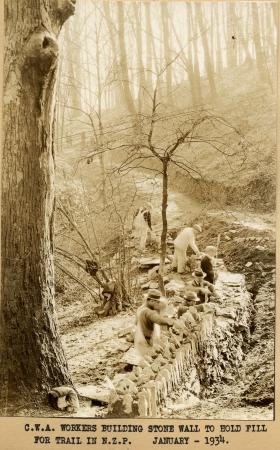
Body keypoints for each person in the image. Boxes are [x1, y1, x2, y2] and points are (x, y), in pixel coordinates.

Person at [134, 289, 174, 357]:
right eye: (157, 302)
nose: (158, 304)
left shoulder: (140, 308)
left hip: (139, 339)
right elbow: (159, 320)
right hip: (145, 341)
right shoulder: (149, 312)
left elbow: (135, 322)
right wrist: (171, 322)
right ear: (151, 301)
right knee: (148, 360)